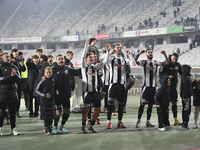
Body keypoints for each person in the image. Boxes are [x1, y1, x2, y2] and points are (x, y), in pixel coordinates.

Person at [135, 49, 169, 128]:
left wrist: (165, 54)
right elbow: (135, 61)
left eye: (151, 52)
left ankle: (148, 121)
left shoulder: (155, 63)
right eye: (148, 52)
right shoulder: (143, 62)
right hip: (145, 87)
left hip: (153, 87)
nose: (150, 53)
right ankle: (138, 120)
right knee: (142, 104)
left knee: (150, 104)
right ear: (146, 54)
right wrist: (139, 53)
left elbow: (167, 62)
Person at [81, 39, 109, 133]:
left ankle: (92, 125)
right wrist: (86, 46)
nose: (92, 58)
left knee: (98, 109)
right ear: (86, 59)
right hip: (87, 92)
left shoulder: (95, 66)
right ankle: (83, 125)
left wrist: (108, 51)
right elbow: (82, 57)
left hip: (95, 92)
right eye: (90, 57)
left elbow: (105, 62)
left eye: (93, 57)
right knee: (86, 109)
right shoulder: (84, 66)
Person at [106, 44, 136, 129]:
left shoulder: (124, 60)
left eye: (120, 48)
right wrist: (109, 52)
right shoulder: (112, 59)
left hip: (122, 85)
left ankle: (119, 122)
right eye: (117, 48)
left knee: (121, 104)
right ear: (115, 49)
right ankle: (109, 122)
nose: (119, 49)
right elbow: (104, 60)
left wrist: (130, 55)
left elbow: (133, 63)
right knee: (110, 103)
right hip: (113, 85)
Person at [52, 54, 81, 134]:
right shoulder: (53, 69)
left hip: (66, 94)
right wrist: (54, 90)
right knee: (58, 111)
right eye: (59, 59)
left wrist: (85, 67)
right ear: (56, 61)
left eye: (62, 59)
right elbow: (49, 80)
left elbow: (77, 72)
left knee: (67, 111)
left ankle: (62, 125)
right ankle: (55, 126)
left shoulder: (68, 68)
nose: (61, 60)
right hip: (57, 95)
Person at [0, 53, 21, 136]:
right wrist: (10, 76)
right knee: (2, 112)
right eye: (6, 57)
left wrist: (13, 75)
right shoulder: (0, 67)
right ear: (2, 59)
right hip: (3, 93)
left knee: (12, 112)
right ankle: (0, 128)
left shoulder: (14, 67)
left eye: (9, 57)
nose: (8, 58)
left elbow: (19, 78)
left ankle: (13, 128)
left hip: (13, 93)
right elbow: (1, 79)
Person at [159, 53, 182, 125]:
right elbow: (160, 74)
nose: (175, 60)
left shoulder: (178, 65)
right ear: (171, 57)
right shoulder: (165, 64)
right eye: (173, 59)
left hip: (173, 87)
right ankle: (167, 120)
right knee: (167, 104)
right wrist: (167, 76)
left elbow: (181, 73)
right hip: (166, 88)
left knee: (174, 102)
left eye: (176, 59)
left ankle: (175, 119)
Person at [35, 67, 56, 135]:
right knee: (46, 115)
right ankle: (46, 127)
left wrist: (56, 92)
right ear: (44, 73)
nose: (48, 74)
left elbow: (54, 89)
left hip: (51, 101)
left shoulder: (53, 81)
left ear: (52, 73)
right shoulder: (42, 81)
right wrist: (44, 95)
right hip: (44, 102)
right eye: (47, 73)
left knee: (51, 115)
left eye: (50, 72)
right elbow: (37, 90)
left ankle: (50, 127)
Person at [11, 48, 26, 118]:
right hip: (12, 81)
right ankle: (11, 112)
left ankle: (17, 111)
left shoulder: (20, 59)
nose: (16, 54)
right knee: (12, 97)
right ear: (12, 53)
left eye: (17, 53)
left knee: (19, 96)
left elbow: (23, 70)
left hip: (19, 81)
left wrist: (22, 65)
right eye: (15, 52)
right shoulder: (10, 59)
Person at [180, 65, 193, 129]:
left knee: (186, 109)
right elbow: (184, 88)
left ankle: (184, 122)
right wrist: (184, 97)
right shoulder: (185, 78)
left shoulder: (186, 77)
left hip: (187, 96)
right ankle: (185, 123)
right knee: (187, 110)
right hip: (186, 97)